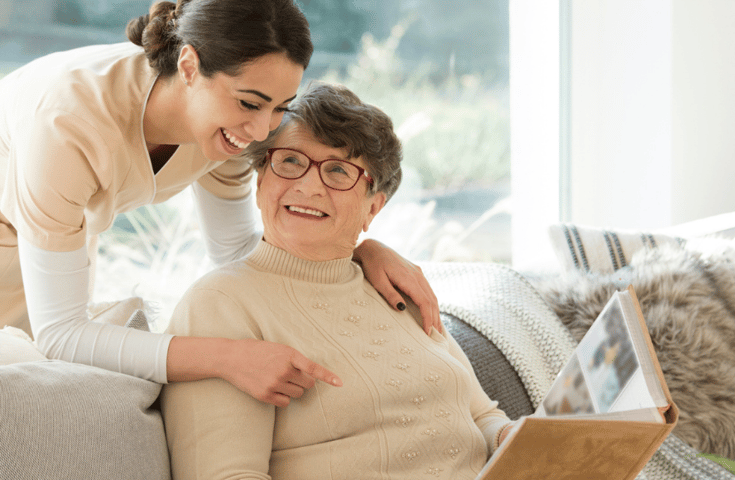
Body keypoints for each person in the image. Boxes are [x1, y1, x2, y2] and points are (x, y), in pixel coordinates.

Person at [0, 0, 440, 407]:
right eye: (249, 103)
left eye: (279, 108)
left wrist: (356, 251)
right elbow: (63, 334)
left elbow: (236, 252)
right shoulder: (69, 125)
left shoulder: (223, 133)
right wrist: (229, 358)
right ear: (189, 66)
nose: (262, 131)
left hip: (49, 241)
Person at [161, 82, 514, 479]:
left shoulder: (396, 287)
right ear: (260, 183)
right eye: (290, 161)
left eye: (338, 171)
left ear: (372, 208)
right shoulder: (219, 304)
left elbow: (483, 416)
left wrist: (513, 436)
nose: (309, 186)